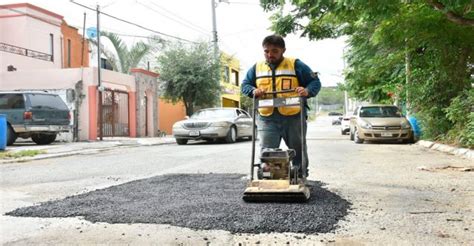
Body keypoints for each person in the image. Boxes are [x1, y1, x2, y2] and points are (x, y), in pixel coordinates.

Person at [241, 34, 321, 178]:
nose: (270, 54)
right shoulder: (256, 68)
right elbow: (245, 85)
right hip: (267, 117)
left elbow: (315, 82)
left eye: (274, 51)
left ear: (283, 50)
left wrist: (306, 91)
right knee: (267, 150)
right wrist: (253, 91)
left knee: (297, 149)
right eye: (266, 51)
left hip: (293, 117)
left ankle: (300, 176)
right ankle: (270, 177)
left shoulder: (296, 64)